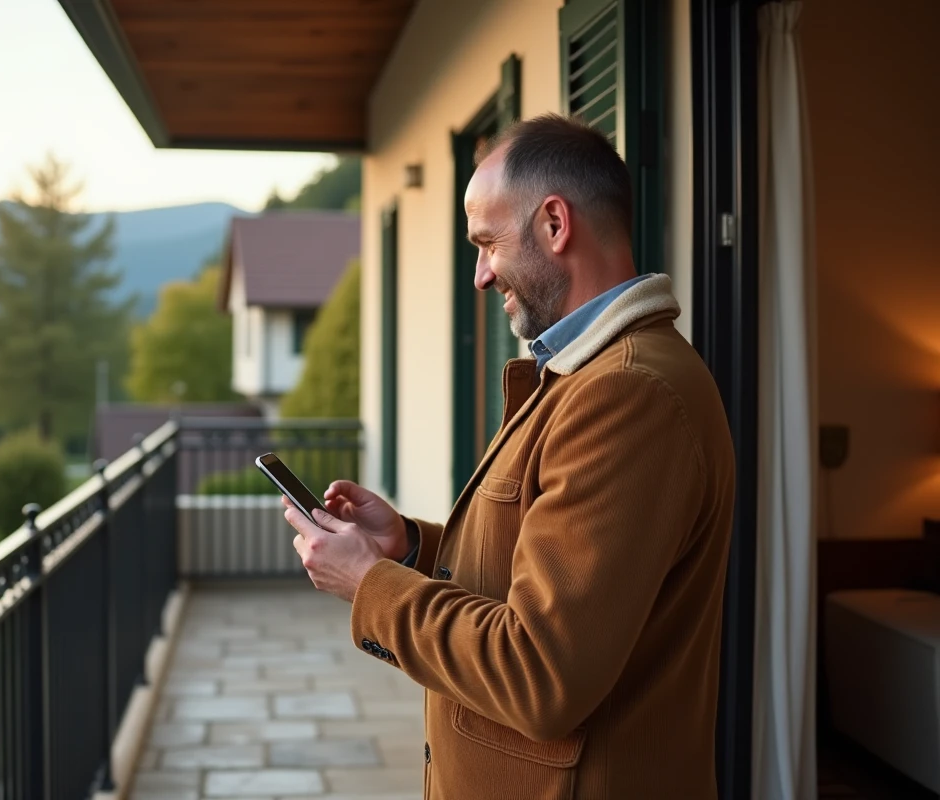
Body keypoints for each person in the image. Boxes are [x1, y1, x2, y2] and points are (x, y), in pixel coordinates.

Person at [280, 113, 735, 800]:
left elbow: (541, 674)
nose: (480, 276)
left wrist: (370, 583)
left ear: (555, 224)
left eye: (487, 243)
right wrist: (407, 548)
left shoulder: (624, 394)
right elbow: (534, 569)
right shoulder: (591, 375)